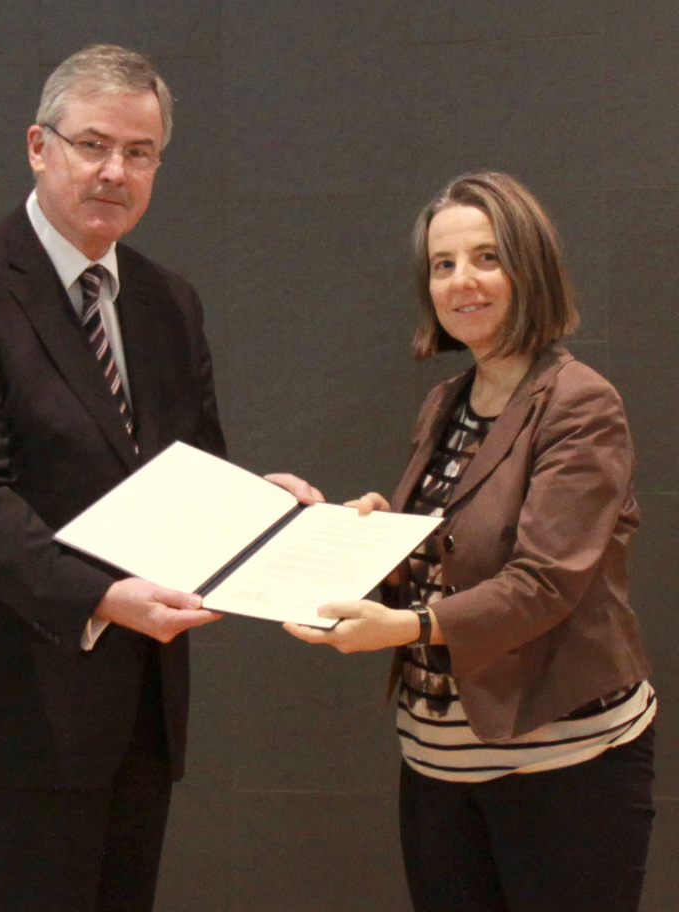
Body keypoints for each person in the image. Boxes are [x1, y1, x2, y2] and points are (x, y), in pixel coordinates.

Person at [0, 44, 228, 912]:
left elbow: (196, 471)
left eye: (140, 152)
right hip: (18, 708)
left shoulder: (167, 300)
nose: (115, 170)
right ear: (39, 147)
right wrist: (101, 596)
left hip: (141, 705)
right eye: (93, 145)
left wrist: (271, 510)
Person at [285, 172, 657, 912]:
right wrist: (373, 541)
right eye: (443, 265)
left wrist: (412, 625)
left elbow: (546, 582)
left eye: (487, 258)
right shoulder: (444, 402)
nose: (463, 282)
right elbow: (449, 556)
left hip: (561, 762)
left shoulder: (580, 402)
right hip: (437, 762)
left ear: (531, 267)